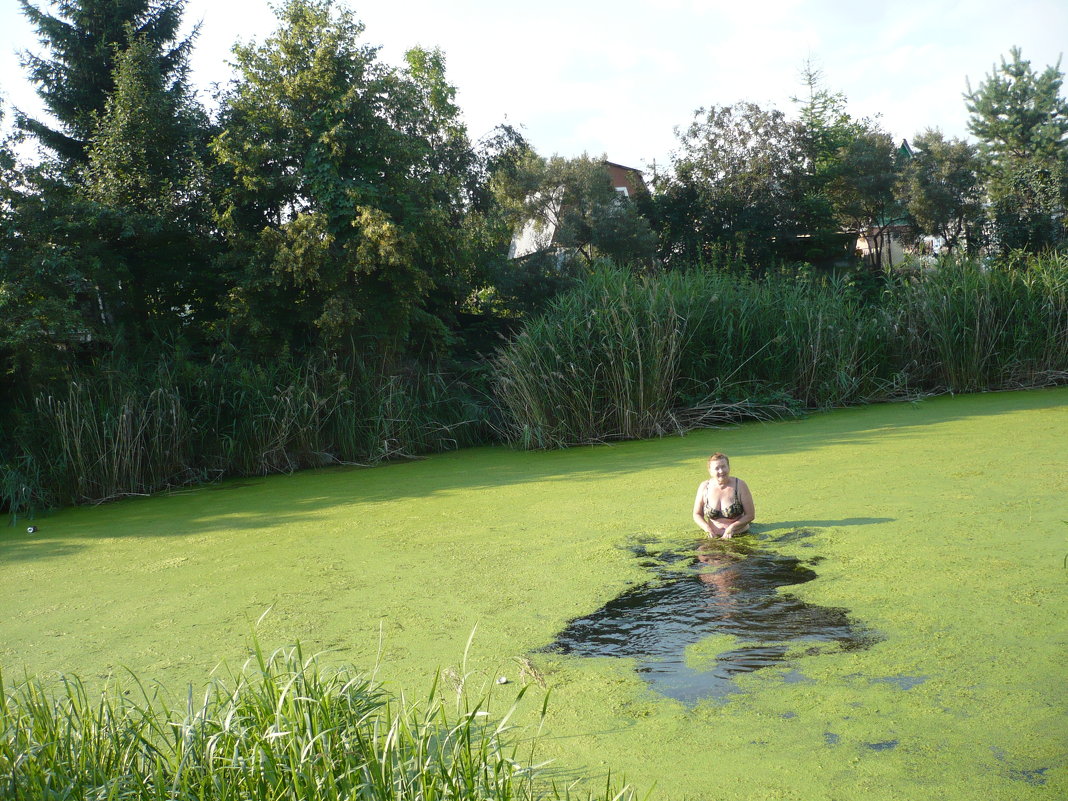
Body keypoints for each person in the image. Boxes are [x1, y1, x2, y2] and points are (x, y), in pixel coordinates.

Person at [692, 452, 755, 539]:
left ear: (728, 467)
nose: (721, 471)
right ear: (710, 471)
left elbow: (750, 515)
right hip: (713, 538)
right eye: (717, 468)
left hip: (740, 535)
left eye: (723, 466)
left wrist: (732, 527)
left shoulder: (740, 485)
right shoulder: (704, 487)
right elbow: (697, 514)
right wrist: (707, 528)